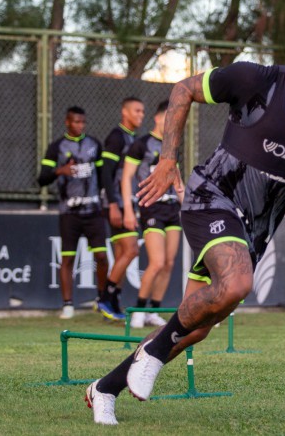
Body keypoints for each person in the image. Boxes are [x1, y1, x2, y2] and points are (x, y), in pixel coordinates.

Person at [85, 8, 285, 424]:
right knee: (237, 283)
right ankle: (151, 353)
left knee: (198, 324)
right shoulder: (254, 79)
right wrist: (168, 160)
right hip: (212, 195)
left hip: (254, 228)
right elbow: (183, 89)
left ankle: (104, 389)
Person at [38, 106, 109, 319]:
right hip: (69, 212)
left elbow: (103, 174)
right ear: (67, 122)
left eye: (82, 122)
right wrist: (60, 170)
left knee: (102, 256)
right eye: (75, 122)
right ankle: (68, 304)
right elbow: (42, 178)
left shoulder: (94, 144)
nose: (79, 126)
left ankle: (102, 300)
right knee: (68, 258)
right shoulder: (57, 147)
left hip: (93, 210)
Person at [121, 100, 184, 329]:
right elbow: (126, 177)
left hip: (172, 209)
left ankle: (154, 311)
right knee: (156, 262)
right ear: (158, 118)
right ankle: (139, 309)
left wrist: (184, 203)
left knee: (168, 262)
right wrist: (129, 208)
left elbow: (176, 178)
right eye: (169, 116)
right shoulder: (141, 144)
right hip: (150, 206)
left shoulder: (173, 145)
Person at [99, 97, 145, 320]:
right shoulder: (116, 137)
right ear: (124, 112)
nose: (140, 115)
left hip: (127, 202)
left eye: (143, 112)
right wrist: (113, 205)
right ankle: (105, 297)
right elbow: (106, 172)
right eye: (136, 111)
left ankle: (114, 301)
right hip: (117, 202)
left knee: (121, 254)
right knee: (131, 250)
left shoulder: (132, 138)